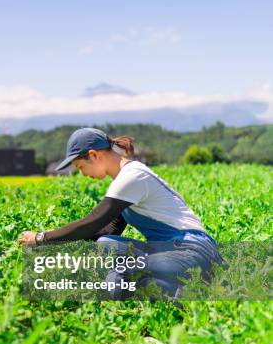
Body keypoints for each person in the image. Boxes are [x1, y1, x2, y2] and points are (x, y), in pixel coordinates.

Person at [18, 127, 223, 299]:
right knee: (105, 245)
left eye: (81, 167)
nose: (83, 174)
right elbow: (100, 233)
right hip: (179, 253)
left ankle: (176, 291)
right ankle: (172, 287)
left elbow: (90, 223)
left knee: (117, 278)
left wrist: (41, 238)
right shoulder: (126, 181)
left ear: (94, 155)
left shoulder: (132, 177)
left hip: (193, 251)